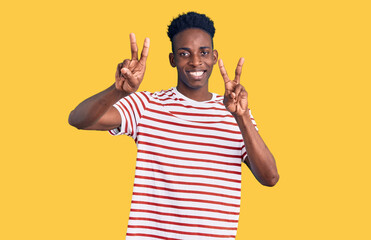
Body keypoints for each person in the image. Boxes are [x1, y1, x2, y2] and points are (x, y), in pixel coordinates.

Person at [69, 11, 279, 240]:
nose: (196, 61)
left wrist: (242, 117)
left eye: (204, 52)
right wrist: (116, 91)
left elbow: (270, 178)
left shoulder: (235, 111)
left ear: (215, 56)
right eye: (184, 53)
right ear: (172, 60)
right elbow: (78, 120)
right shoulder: (147, 105)